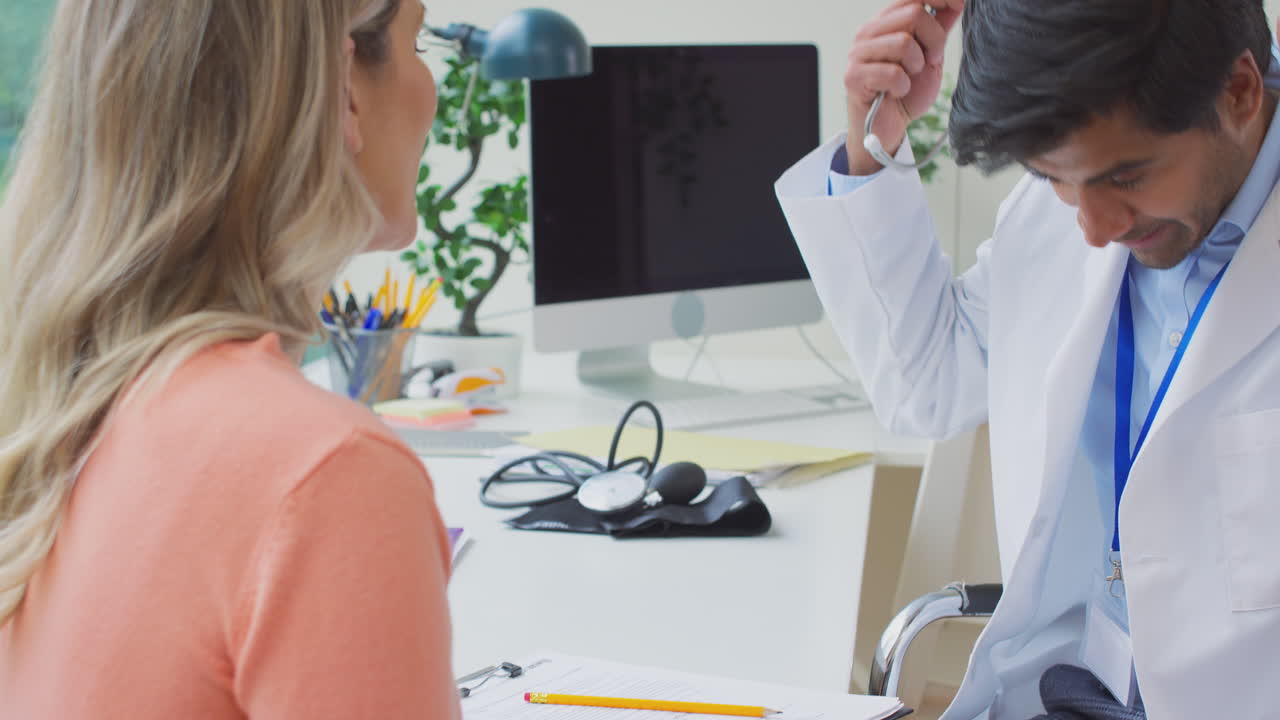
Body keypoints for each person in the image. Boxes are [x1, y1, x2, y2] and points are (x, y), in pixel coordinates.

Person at [776, 1, 1280, 718]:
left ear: (1239, 92)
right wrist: (873, 146)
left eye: (1127, 178)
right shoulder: (1067, 206)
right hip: (1067, 689)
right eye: (1054, 178)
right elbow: (931, 383)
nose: (1095, 228)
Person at [0, 1, 459, 718]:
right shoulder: (327, 472)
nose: (433, 85)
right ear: (343, 85)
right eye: (420, 40)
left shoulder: (72, 400)